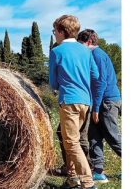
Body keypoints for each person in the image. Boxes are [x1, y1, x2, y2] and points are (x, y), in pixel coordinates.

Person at [49, 15, 99, 189]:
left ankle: (87, 182)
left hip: (69, 100)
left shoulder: (57, 51)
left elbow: (53, 83)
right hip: (86, 101)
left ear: (62, 32)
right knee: (70, 139)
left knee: (71, 142)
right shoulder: (86, 50)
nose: (54, 34)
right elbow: (96, 75)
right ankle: (72, 179)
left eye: (55, 30)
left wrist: (61, 86)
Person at [77, 29, 121, 183]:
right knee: (94, 137)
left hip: (107, 102)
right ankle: (99, 172)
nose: (79, 47)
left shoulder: (97, 55)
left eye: (80, 44)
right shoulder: (94, 54)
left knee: (112, 136)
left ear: (89, 42)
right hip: (101, 101)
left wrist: (95, 108)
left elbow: (100, 82)